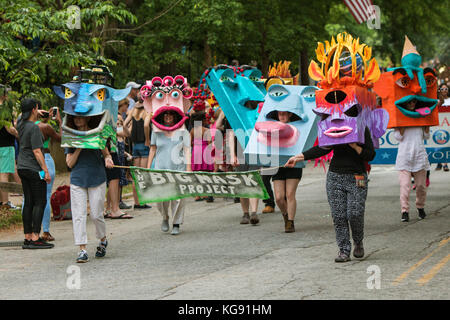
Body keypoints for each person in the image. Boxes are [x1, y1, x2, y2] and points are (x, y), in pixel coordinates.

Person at [286, 127, 375, 262]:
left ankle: (358, 241)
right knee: (339, 215)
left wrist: (355, 146)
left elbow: (370, 155)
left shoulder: (361, 127)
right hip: (335, 176)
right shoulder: (333, 128)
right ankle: (344, 250)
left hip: (357, 177)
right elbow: (321, 148)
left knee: (355, 213)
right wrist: (298, 158)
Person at [65, 115, 114, 263]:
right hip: (78, 180)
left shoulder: (97, 133)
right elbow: (69, 163)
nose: (77, 120)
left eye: (81, 117)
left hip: (97, 178)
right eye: (75, 118)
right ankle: (82, 249)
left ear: (87, 119)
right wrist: (80, 146)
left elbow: (106, 153)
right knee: (79, 215)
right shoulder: (71, 137)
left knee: (96, 214)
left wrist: (108, 159)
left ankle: (103, 239)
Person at [16, 98, 54, 249]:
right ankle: (35, 237)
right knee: (40, 201)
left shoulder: (20, 124)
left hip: (22, 167)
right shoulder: (34, 128)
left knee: (29, 202)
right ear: (34, 110)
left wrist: (32, 111)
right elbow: (37, 151)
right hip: (33, 168)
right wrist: (45, 171)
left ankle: (27, 237)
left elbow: (20, 116)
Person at [147, 111, 191, 235]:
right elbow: (152, 149)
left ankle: (176, 222)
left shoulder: (183, 131)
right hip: (161, 168)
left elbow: (187, 150)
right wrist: (148, 168)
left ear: (175, 116)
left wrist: (188, 168)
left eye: (171, 114)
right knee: (161, 197)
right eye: (165, 114)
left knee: (178, 198)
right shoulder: (156, 131)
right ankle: (165, 217)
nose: (168, 116)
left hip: (178, 168)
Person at [272, 111, 302, 233]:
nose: (282, 116)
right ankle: (285, 215)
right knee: (279, 198)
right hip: (277, 164)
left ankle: (290, 221)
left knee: (290, 194)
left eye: (284, 114)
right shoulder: (273, 128)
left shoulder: (298, 127)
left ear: (290, 114)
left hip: (294, 164)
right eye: (280, 114)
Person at [35, 107, 63, 242]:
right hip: (44, 160)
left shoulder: (23, 125)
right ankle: (45, 231)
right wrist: (59, 122)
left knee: (28, 195)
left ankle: (29, 231)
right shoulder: (46, 127)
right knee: (45, 195)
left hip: (29, 161)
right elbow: (61, 139)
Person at [394, 124, 430, 222]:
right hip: (404, 157)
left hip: (419, 156)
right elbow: (398, 137)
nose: (411, 106)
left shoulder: (420, 119)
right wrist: (402, 127)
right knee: (405, 186)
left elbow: (426, 136)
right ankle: (404, 211)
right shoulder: (399, 120)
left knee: (421, 186)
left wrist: (427, 126)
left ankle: (420, 207)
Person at [124, 95, 152, 209]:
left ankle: (136, 202)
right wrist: (147, 140)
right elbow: (146, 125)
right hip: (144, 145)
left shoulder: (132, 111)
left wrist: (128, 135)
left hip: (135, 146)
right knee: (143, 175)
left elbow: (125, 124)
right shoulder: (147, 112)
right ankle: (142, 201)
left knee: (136, 176)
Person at [190, 111, 214, 202]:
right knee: (206, 172)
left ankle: (197, 194)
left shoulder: (192, 130)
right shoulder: (206, 130)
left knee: (197, 173)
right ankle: (206, 193)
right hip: (205, 151)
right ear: (202, 121)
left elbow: (190, 143)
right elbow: (209, 144)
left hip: (196, 151)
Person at [0, 118, 19, 209]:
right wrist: (18, 134)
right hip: (6, 145)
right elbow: (9, 128)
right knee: (4, 174)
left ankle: (1, 201)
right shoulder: (4, 110)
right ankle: (5, 202)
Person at [436, 84, 449, 171]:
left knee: (446, 143)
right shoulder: (436, 101)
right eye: (442, 89)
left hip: (447, 125)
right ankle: (439, 162)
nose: (444, 90)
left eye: (446, 89)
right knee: (437, 143)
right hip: (438, 124)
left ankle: (445, 164)